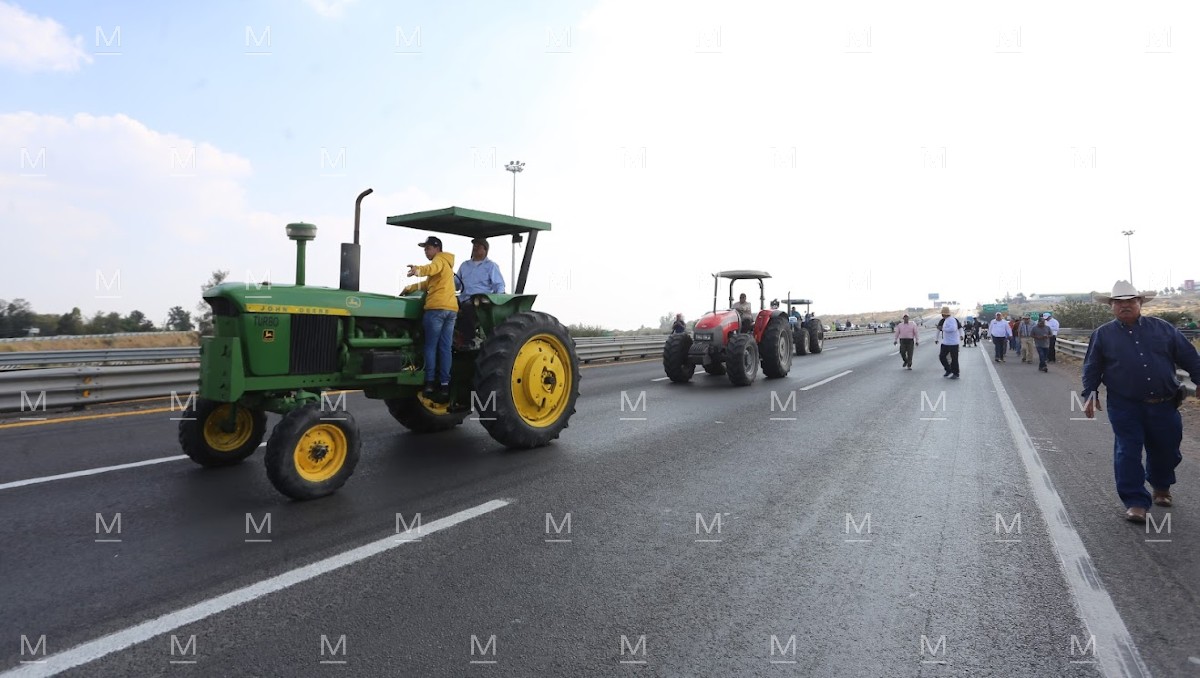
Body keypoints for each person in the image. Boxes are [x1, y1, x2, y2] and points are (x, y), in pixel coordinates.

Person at [1081, 281, 1200, 523]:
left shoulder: (1164, 329)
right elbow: (1092, 367)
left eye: (1130, 301)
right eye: (1119, 302)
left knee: (1167, 449)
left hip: (1165, 403)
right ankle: (1135, 501)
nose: (1125, 306)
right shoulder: (1103, 334)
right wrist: (1089, 394)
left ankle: (1161, 484)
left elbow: (1189, 356)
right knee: (1128, 451)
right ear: (1112, 306)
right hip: (1125, 405)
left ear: (1140, 303)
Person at [403, 236, 458, 403]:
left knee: (430, 346)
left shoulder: (439, 260)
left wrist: (417, 270)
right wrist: (409, 288)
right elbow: (427, 284)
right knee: (445, 348)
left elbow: (431, 269)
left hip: (436, 310)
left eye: (427, 248)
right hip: (451, 310)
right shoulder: (447, 264)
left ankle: (429, 383)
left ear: (436, 248)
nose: (426, 251)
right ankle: (444, 384)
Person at [455, 237, 506, 347]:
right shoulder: (465, 265)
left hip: (479, 300)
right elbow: (456, 284)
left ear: (485, 250)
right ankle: (454, 338)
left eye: (478, 246)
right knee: (445, 306)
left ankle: (471, 339)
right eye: (474, 246)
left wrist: (498, 300)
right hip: (463, 298)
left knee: (468, 309)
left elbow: (499, 285)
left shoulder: (491, 266)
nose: (475, 248)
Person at [935, 306, 961, 379]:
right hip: (946, 342)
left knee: (954, 359)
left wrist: (943, 329)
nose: (942, 315)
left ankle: (956, 373)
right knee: (942, 357)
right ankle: (948, 369)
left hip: (953, 343)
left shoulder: (951, 320)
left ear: (944, 314)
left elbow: (953, 328)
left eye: (942, 314)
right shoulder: (945, 320)